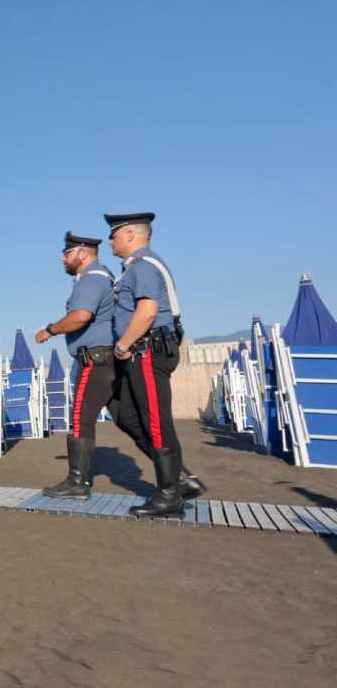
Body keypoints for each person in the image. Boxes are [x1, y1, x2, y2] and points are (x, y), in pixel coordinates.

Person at [105, 211, 207, 517]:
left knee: (155, 421)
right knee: (127, 414)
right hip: (145, 349)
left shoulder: (142, 266)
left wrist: (123, 344)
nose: (110, 240)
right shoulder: (135, 268)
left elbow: (147, 312)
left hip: (146, 348)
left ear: (131, 235)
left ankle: (168, 496)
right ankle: (178, 480)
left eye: (114, 234)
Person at [35, 232, 116, 499]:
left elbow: (80, 317)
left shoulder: (90, 279)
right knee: (131, 421)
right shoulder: (104, 276)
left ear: (82, 253)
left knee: (81, 420)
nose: (63, 257)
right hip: (109, 359)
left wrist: (51, 329)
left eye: (67, 253)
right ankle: (178, 477)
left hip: (94, 360)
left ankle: (77, 483)